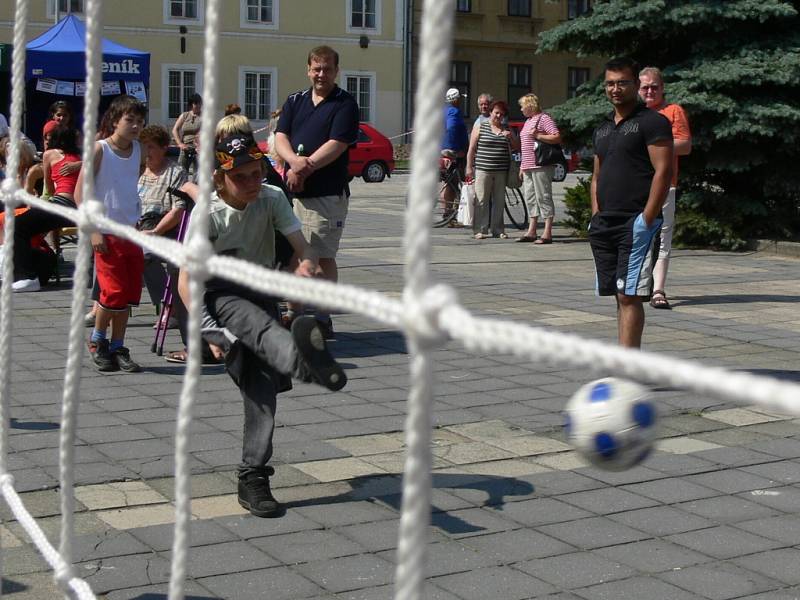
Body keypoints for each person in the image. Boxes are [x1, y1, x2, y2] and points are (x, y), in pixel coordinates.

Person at [177, 133, 347, 517]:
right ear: (221, 179)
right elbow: (188, 281)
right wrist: (206, 328)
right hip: (218, 296)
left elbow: (302, 250)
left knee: (261, 389)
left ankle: (253, 476)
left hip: (261, 290)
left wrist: (304, 272)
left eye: (257, 173)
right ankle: (300, 359)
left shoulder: (271, 197)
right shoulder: (208, 214)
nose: (254, 182)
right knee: (255, 331)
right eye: (243, 177)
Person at [275, 45, 359, 338]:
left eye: (327, 69)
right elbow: (280, 136)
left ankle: (323, 318)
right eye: (316, 68)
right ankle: (293, 312)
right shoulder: (295, 100)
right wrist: (294, 163)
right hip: (293, 195)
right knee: (293, 258)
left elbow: (337, 144)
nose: (321, 74)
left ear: (336, 71)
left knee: (321, 257)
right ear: (308, 69)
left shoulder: (344, 103)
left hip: (326, 195)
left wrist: (303, 167)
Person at [589, 57, 673, 349]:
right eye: (610, 83)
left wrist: (647, 218)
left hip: (635, 221)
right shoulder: (601, 128)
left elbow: (664, 171)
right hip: (605, 222)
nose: (616, 89)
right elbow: (596, 176)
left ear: (636, 85)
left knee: (630, 294)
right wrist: (595, 214)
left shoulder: (652, 122)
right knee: (618, 292)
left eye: (622, 83)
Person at [76, 95, 147, 372]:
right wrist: (93, 230)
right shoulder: (99, 149)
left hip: (130, 231)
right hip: (105, 233)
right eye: (130, 120)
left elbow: (129, 185)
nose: (135, 126)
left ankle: (118, 345)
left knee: (127, 295)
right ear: (115, 120)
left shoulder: (138, 149)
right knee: (112, 293)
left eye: (139, 122)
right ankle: (97, 340)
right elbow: (80, 192)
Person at [639, 66, 692, 310]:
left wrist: (654, 145)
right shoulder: (632, 113)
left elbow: (685, 145)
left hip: (665, 184)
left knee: (662, 237)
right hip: (635, 184)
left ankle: (658, 289)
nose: (649, 91)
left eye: (654, 87)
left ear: (662, 88)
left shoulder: (673, 111)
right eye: (645, 87)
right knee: (637, 235)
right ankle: (639, 286)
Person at [137, 124, 189, 324]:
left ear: (163, 148)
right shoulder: (139, 172)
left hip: (165, 229)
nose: (146, 152)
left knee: (146, 253)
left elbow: (179, 209)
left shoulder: (175, 172)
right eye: (143, 147)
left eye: (150, 147)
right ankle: (104, 305)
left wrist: (156, 231)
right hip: (137, 226)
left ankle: (169, 305)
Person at [466, 100, 518, 240]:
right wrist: (469, 167)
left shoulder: (506, 128)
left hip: (501, 171)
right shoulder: (480, 127)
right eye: (496, 113)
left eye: (501, 114)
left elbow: (516, 146)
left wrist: (510, 137)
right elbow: (471, 148)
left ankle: (498, 229)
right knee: (481, 200)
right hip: (483, 170)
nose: (498, 116)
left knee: (499, 201)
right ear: (490, 112)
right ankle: (480, 229)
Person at [517, 93, 562, 244]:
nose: (521, 109)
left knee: (543, 196)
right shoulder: (528, 121)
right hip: (528, 165)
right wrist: (522, 166)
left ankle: (547, 232)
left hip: (541, 164)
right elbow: (525, 147)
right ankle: (532, 230)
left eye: (523, 105)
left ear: (530, 106)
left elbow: (556, 137)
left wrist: (538, 135)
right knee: (530, 197)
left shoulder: (544, 118)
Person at [171, 93, 202, 177]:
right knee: (181, 172)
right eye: (196, 103)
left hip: (199, 148)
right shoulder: (185, 115)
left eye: (200, 103)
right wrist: (180, 144)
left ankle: (197, 189)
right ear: (191, 104)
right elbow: (175, 130)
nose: (198, 105)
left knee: (198, 175)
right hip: (186, 147)